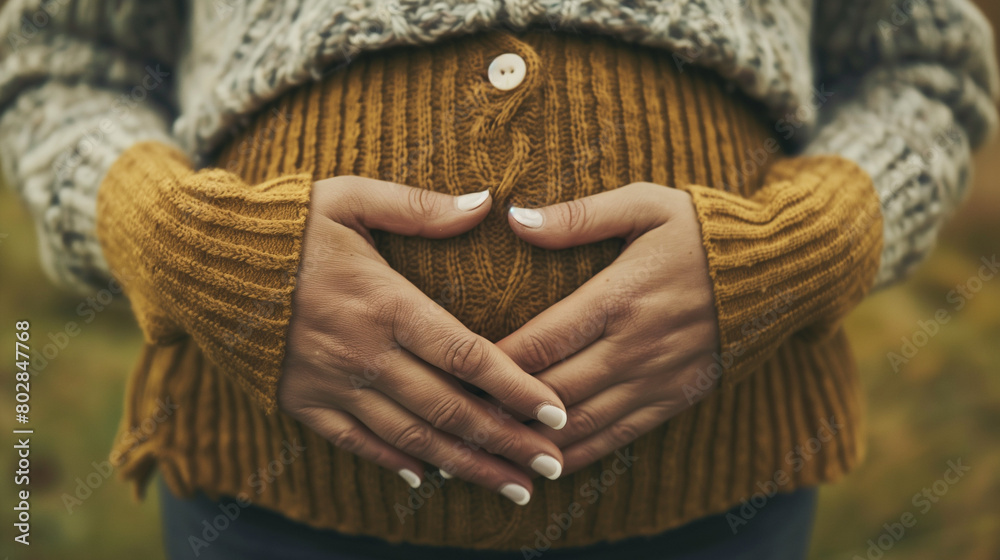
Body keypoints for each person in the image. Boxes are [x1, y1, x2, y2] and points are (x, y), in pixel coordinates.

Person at [1, 1, 996, 559]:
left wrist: (800, 243)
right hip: (272, 494)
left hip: (714, 495)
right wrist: (181, 242)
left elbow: (925, 78)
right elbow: (57, 67)